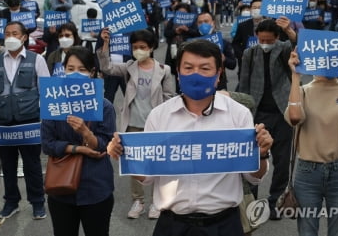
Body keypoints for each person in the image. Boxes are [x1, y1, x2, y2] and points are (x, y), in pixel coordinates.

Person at [106, 39, 273, 236]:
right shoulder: (159, 116)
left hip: (224, 224)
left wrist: (261, 154)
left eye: (204, 68)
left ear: (218, 75)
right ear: (178, 73)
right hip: (173, 225)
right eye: (188, 67)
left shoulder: (238, 114)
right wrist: (127, 157)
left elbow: (253, 178)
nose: (196, 74)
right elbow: (148, 176)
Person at [286, 49, 338, 236]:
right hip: (307, 171)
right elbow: (294, 118)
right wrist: (294, 76)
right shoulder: (302, 91)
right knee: (307, 231)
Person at [97, 28, 174, 219]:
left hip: (155, 125)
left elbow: (170, 97)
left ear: (151, 48)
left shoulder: (164, 70)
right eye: (135, 47)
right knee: (135, 165)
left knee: (156, 163)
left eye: (143, 47)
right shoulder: (129, 67)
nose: (138, 50)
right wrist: (105, 43)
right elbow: (107, 68)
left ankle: (157, 201)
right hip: (132, 124)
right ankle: (138, 201)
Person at [41, 46, 116, 236]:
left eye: (82, 70)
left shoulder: (104, 106)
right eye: (70, 68)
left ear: (92, 73)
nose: (75, 74)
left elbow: (106, 147)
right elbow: (47, 144)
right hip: (61, 189)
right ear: (63, 70)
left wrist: (85, 132)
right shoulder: (55, 103)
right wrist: (77, 149)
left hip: (96, 188)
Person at [239, 18, 296, 220]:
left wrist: (289, 31)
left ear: (276, 38)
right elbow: (243, 83)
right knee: (254, 159)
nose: (265, 43)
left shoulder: (284, 49)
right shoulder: (249, 53)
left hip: (282, 112)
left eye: (269, 40)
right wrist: (242, 111)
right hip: (257, 112)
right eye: (261, 39)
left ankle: (275, 202)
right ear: (256, 36)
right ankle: (251, 203)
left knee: (282, 160)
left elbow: (298, 49)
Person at [0, 21, 50, 221]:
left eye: (14, 33)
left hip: (29, 121)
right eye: (7, 33)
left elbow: (45, 91)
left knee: (31, 164)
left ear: (24, 37)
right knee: (7, 165)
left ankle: (37, 202)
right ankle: (11, 202)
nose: (10, 37)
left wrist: (42, 118)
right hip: (2, 122)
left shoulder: (36, 60)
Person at [195, 12, 236, 90]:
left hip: (219, 84)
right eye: (200, 22)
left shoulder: (223, 42)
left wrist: (224, 59)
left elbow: (233, 64)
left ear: (213, 23)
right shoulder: (192, 43)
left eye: (206, 21)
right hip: (199, 83)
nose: (203, 24)